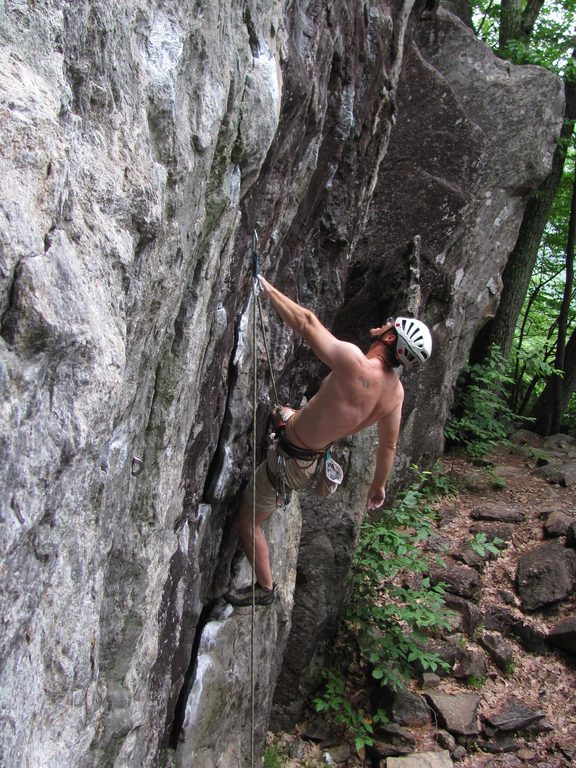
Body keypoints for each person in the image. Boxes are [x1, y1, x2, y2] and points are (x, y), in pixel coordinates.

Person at [225, 275, 432, 607]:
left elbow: (307, 323)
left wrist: (265, 286)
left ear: (391, 337)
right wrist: (378, 486)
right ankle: (288, 418)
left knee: (247, 523)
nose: (380, 326)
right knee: (287, 413)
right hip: (310, 454)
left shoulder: (357, 365)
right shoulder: (395, 394)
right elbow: (388, 447)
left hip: (292, 461)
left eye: (386, 326)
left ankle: (264, 588)